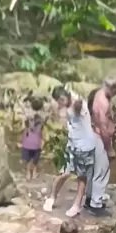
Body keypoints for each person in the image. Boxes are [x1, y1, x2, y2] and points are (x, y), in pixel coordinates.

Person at [43, 88, 96, 217]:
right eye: (59, 101)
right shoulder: (68, 108)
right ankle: (51, 198)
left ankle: (77, 205)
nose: (60, 104)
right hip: (72, 145)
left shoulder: (78, 105)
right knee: (64, 173)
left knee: (82, 176)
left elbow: (78, 104)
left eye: (61, 100)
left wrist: (75, 97)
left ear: (64, 97)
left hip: (84, 146)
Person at [85, 77, 116, 214]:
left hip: (93, 135)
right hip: (100, 138)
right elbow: (103, 128)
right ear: (113, 88)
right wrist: (109, 148)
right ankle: (96, 204)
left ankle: (89, 198)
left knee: (92, 170)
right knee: (102, 171)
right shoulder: (103, 102)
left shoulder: (98, 94)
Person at [21, 111, 43, 180]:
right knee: (35, 160)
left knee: (28, 160)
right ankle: (34, 172)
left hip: (27, 146)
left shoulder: (27, 127)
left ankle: (28, 173)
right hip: (36, 146)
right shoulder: (39, 127)